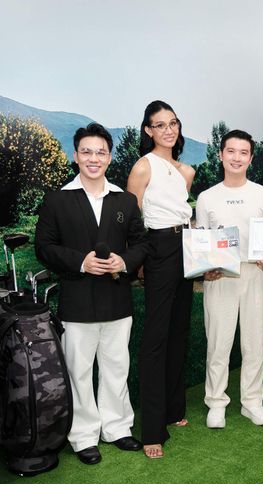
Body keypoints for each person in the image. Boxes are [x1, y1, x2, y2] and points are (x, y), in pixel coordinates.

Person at [35, 123, 147, 465]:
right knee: (79, 371)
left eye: (100, 152)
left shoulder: (125, 200)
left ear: (109, 157)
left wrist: (123, 262)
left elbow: (141, 245)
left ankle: (117, 427)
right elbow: (44, 247)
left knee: (117, 366)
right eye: (87, 151)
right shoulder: (57, 200)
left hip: (117, 300)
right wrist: (81, 262)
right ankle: (83, 436)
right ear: (76, 155)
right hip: (77, 302)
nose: (93, 158)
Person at [127, 100, 195, 459]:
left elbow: (186, 216)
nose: (168, 130)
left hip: (187, 246)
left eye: (173, 123)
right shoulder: (144, 166)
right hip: (159, 248)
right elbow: (131, 220)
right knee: (155, 337)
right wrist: (139, 260)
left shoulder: (186, 171)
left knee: (178, 330)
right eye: (160, 124)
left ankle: (173, 409)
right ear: (148, 130)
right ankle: (152, 429)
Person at [196, 130, 263, 428]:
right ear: (220, 155)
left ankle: (252, 402)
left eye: (243, 153)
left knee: (254, 344)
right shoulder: (207, 197)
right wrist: (204, 267)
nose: (237, 158)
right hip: (220, 277)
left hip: (254, 273)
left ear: (251, 158)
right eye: (231, 151)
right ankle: (216, 402)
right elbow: (201, 242)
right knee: (218, 343)